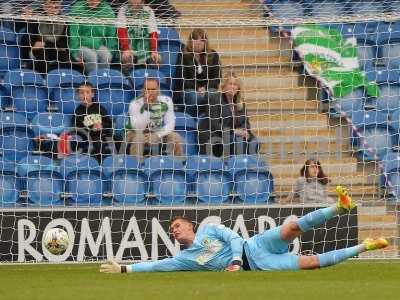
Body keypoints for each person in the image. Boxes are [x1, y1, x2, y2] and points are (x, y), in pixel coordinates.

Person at [100, 186, 388, 273]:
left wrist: (236, 260)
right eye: (171, 229)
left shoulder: (209, 229)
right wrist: (125, 269)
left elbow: (236, 238)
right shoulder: (184, 259)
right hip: (262, 266)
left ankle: (340, 206)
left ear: (189, 224)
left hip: (254, 248)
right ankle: (366, 246)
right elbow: (157, 265)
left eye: (177, 225)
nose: (174, 230)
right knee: (311, 262)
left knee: (291, 228)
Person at [198, 73, 258, 157]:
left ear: (238, 88)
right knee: (237, 140)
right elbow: (215, 125)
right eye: (230, 84)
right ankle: (234, 167)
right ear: (224, 86)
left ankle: (245, 167)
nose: (233, 87)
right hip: (217, 136)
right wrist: (234, 131)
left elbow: (246, 123)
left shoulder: (240, 103)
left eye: (235, 85)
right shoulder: (215, 99)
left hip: (233, 136)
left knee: (253, 141)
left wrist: (243, 131)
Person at [126, 77, 183, 160]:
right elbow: (138, 127)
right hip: (134, 132)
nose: (150, 92)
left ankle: (178, 166)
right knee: (138, 138)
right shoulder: (135, 104)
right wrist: (147, 107)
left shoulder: (166, 101)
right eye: (147, 89)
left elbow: (171, 124)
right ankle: (136, 168)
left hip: (156, 131)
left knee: (175, 137)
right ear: (143, 90)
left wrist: (157, 135)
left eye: (153, 89)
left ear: (158, 90)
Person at [173, 28, 221, 117]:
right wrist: (197, 88)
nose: (198, 42)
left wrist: (205, 88)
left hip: (207, 89)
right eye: (195, 39)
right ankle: (189, 120)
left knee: (213, 94)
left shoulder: (213, 55)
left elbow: (216, 78)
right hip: (188, 89)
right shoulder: (183, 55)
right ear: (190, 41)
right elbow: (180, 79)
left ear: (205, 42)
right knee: (194, 96)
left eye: (202, 40)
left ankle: (211, 122)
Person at [22, 0, 71, 74]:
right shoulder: (36, 19)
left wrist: (45, 44)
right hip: (39, 50)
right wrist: (33, 46)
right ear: (44, 7)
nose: (53, 9)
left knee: (66, 58)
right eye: (49, 6)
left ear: (60, 7)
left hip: (54, 49)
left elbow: (64, 44)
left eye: (56, 7)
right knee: (43, 55)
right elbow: (28, 39)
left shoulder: (64, 21)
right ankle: (45, 79)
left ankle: (63, 79)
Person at [69, 0, 117, 73]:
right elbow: (73, 34)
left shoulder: (107, 10)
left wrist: (110, 51)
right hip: (81, 46)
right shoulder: (77, 8)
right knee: (91, 56)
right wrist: (74, 53)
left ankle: (103, 81)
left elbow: (111, 35)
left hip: (99, 45)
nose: (93, 1)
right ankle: (92, 81)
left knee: (106, 55)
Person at [71, 82, 113, 163]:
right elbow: (77, 128)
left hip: (103, 136)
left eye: (87, 92)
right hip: (88, 138)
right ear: (78, 95)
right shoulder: (78, 111)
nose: (85, 95)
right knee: (97, 144)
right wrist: (91, 128)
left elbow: (108, 123)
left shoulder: (100, 108)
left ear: (92, 94)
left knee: (118, 140)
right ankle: (99, 165)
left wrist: (101, 126)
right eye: (82, 93)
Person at [116, 0, 161, 74]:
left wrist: (154, 50)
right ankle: (128, 81)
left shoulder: (149, 11)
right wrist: (126, 49)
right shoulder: (123, 10)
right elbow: (121, 31)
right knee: (127, 59)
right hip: (129, 48)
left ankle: (150, 81)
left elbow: (153, 32)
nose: (134, 1)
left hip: (145, 49)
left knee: (157, 60)